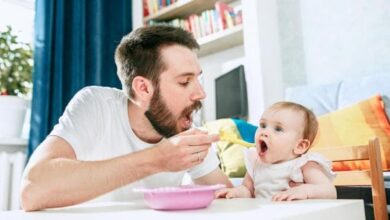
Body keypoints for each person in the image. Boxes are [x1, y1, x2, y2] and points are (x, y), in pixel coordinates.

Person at [21, 25, 232, 211]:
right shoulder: (96, 105)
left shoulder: (183, 129)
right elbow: (32, 190)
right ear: (143, 88)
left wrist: (255, 178)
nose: (201, 93)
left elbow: (227, 197)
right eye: (185, 82)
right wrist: (158, 159)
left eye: (198, 78)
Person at [215, 102, 336, 201]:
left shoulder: (304, 165)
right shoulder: (255, 163)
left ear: (300, 146)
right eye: (263, 125)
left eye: (278, 129)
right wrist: (236, 192)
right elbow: (247, 190)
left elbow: (329, 191)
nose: (264, 132)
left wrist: (305, 191)